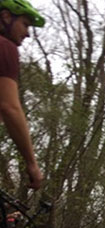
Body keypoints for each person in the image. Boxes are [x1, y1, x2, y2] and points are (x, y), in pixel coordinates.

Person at [0, 0, 45, 190]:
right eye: (25, 24)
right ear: (6, 17)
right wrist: (32, 163)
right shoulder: (4, 47)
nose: (27, 33)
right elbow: (9, 107)